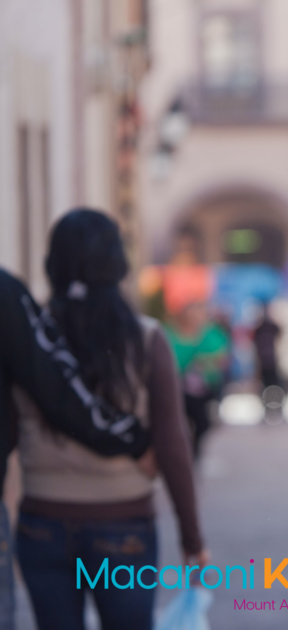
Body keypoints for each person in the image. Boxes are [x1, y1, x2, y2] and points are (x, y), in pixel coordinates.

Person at [13, 209, 208, 630]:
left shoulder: (27, 338)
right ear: (118, 265)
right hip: (122, 523)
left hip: (41, 521)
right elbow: (173, 445)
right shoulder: (146, 338)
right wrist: (192, 538)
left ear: (53, 264)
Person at [0, 269, 151, 630]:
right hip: (114, 513)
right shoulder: (6, 294)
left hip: (48, 518)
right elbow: (55, 390)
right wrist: (133, 439)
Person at [164, 301, 229, 458]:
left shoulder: (212, 333)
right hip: (175, 387)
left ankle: (193, 452)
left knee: (202, 423)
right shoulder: (168, 332)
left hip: (203, 388)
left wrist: (204, 363)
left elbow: (223, 358)